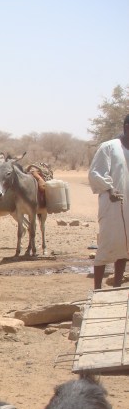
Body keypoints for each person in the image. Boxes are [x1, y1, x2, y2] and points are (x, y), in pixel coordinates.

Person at [88, 114, 129, 290]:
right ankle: (97, 289)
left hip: (127, 204)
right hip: (112, 204)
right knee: (107, 245)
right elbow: (95, 173)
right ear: (127, 127)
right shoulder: (109, 147)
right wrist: (110, 189)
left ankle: (117, 286)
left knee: (125, 246)